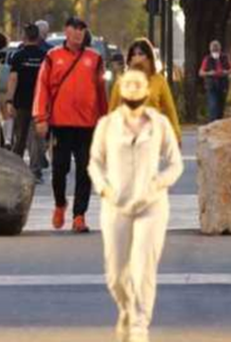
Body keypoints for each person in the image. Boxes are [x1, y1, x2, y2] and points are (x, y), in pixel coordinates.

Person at [89, 69, 183, 342]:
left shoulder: (159, 124)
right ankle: (126, 309)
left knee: (143, 267)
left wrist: (159, 183)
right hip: (115, 205)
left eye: (137, 85)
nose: (132, 90)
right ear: (120, 88)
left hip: (151, 205)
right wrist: (103, 188)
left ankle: (140, 325)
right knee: (116, 274)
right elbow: (94, 162)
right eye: (127, 85)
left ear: (146, 90)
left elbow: (176, 163)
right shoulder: (107, 125)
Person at [33, 16, 108, 233]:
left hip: (88, 124)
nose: (78, 33)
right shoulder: (52, 57)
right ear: (66, 31)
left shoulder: (95, 59)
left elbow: (101, 93)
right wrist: (40, 117)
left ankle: (79, 216)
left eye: (82, 30)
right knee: (59, 168)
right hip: (61, 123)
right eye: (74, 29)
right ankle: (59, 204)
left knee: (86, 170)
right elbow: (42, 88)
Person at [109, 38, 181, 142]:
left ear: (149, 57)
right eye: (134, 55)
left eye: (141, 54)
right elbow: (112, 110)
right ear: (129, 59)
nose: (137, 58)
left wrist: (176, 134)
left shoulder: (159, 80)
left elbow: (170, 109)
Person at [7, 23, 47, 183]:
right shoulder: (45, 56)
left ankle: (16, 170)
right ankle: (36, 172)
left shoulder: (18, 56)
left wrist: (9, 100)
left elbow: (13, 79)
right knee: (37, 138)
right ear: (38, 38)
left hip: (21, 101)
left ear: (24, 37)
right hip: (40, 101)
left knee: (20, 136)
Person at [199, 40, 231, 122]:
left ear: (220, 50)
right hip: (212, 85)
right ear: (210, 50)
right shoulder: (207, 59)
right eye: (213, 51)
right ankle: (212, 124)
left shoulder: (225, 57)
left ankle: (219, 125)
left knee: (221, 107)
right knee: (213, 106)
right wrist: (209, 73)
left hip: (223, 84)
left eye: (216, 51)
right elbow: (201, 73)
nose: (215, 53)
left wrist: (226, 72)